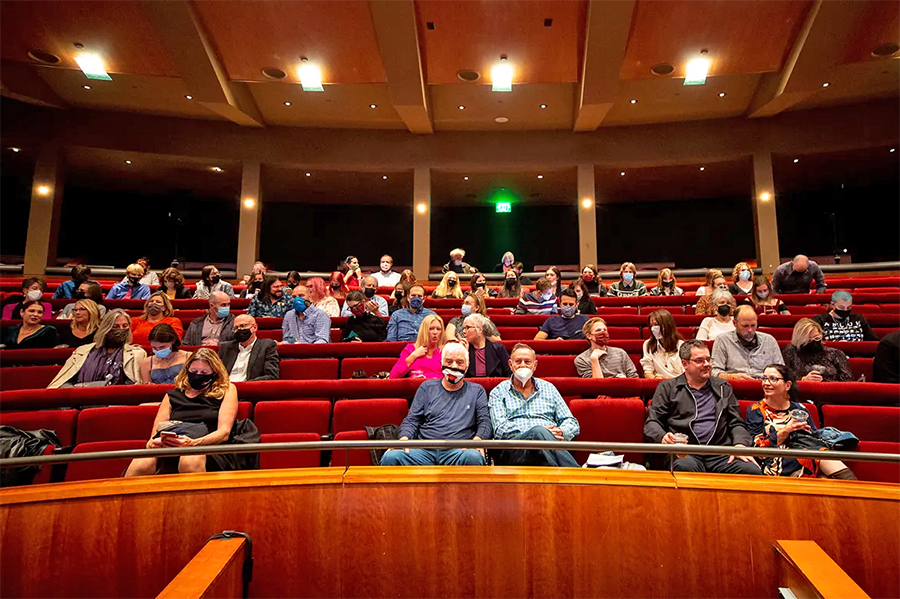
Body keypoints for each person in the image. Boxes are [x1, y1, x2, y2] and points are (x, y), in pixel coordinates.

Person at [644, 340, 761, 475]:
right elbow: (652, 422)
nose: (707, 364)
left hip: (720, 451)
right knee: (685, 467)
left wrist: (740, 445)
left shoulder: (723, 387)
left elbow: (736, 422)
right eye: (700, 360)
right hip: (686, 451)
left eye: (708, 359)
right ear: (685, 364)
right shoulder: (668, 388)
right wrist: (663, 436)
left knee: (751, 470)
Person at [124, 348, 241, 476]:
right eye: (194, 371)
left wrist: (193, 443)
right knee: (141, 463)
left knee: (189, 460)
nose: (198, 375)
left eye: (204, 372)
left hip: (207, 446)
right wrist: (155, 443)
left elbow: (224, 433)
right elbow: (154, 435)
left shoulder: (227, 390)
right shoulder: (172, 395)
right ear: (187, 370)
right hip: (171, 448)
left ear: (214, 373)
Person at [381, 342, 490, 466]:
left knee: (473, 457)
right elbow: (412, 420)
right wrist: (404, 439)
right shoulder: (426, 387)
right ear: (441, 364)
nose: (454, 366)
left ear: (467, 366)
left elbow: (484, 421)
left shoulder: (477, 391)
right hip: (424, 450)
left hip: (459, 450)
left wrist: (477, 440)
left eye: (459, 362)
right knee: (391, 457)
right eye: (449, 362)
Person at [747, 364, 856, 479]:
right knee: (820, 457)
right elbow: (756, 447)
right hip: (775, 458)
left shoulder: (800, 409)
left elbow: (813, 439)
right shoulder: (756, 410)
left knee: (823, 473)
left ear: (787, 385)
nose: (766, 383)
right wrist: (786, 431)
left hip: (804, 452)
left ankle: (856, 491)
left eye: (773, 379)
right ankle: (857, 491)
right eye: (764, 378)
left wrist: (806, 432)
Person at [488, 343, 580, 467]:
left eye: (527, 362)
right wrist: (538, 434)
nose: (522, 365)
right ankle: (578, 474)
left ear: (534, 365)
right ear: (510, 365)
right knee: (538, 432)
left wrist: (558, 433)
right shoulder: (498, 392)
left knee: (542, 445)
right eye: (518, 361)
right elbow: (500, 429)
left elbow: (571, 422)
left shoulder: (549, 388)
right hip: (514, 450)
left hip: (549, 447)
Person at [47, 310, 147, 388]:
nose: (121, 329)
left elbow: (134, 384)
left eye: (125, 326)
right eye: (116, 326)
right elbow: (64, 380)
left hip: (114, 402)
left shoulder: (136, 354)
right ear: (106, 328)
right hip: (78, 398)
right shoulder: (82, 351)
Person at [711, 305, 784, 380]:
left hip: (765, 385)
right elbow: (714, 372)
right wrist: (732, 376)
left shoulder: (769, 340)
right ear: (734, 323)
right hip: (735, 386)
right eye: (745, 326)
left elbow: (781, 371)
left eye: (753, 325)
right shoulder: (723, 340)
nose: (750, 330)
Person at [781, 319, 852, 382]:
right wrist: (803, 380)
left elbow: (847, 379)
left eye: (817, 338)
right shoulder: (790, 351)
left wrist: (824, 381)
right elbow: (783, 377)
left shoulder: (835, 353)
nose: (814, 342)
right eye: (808, 340)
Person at [218, 315, 280, 381]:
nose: (239, 329)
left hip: (250, 387)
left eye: (243, 326)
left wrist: (246, 384)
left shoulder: (267, 346)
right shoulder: (226, 348)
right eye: (236, 328)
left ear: (255, 327)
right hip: (226, 387)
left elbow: (271, 375)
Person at [575, 317, 639, 378]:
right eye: (598, 330)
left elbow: (634, 377)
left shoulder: (621, 353)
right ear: (589, 336)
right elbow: (595, 384)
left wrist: (625, 380)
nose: (603, 332)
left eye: (605, 330)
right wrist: (594, 359)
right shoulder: (581, 359)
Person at [389, 314, 446, 379]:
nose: (435, 332)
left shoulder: (445, 351)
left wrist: (426, 378)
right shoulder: (410, 349)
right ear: (424, 330)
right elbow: (393, 376)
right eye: (431, 329)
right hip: (414, 387)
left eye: (438, 329)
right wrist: (413, 356)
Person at [812, 291, 878, 342]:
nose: (845, 310)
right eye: (841, 307)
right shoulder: (820, 320)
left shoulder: (858, 318)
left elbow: (872, 340)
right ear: (832, 304)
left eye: (848, 307)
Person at [641, 309, 684, 379]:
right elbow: (648, 372)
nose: (653, 328)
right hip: (659, 385)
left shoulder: (681, 345)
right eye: (651, 325)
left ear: (667, 325)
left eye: (656, 324)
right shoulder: (648, 345)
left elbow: (687, 373)